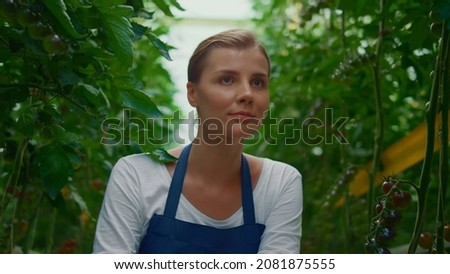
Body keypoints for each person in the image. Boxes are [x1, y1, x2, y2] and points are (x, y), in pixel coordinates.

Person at [93, 29, 303, 254]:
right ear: (193, 94)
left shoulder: (280, 183)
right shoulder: (136, 176)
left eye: (258, 82)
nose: (247, 94)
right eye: (227, 79)